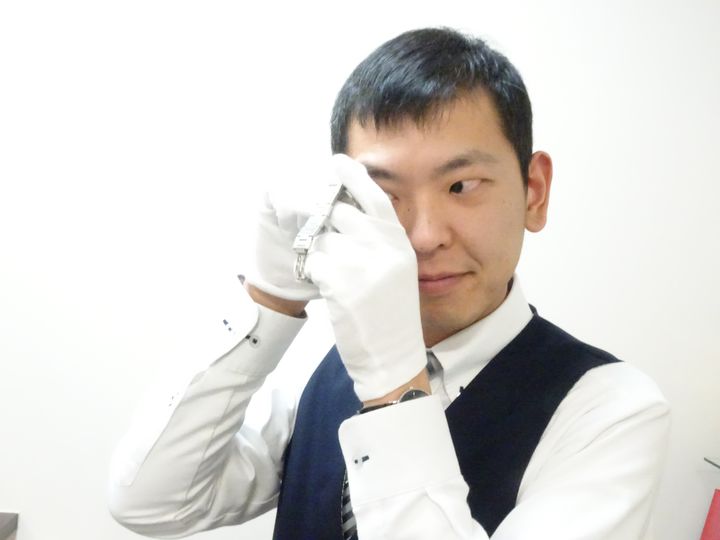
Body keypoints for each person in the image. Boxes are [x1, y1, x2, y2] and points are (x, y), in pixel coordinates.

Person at [108, 27, 670, 539]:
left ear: (534, 191)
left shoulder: (610, 411)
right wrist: (271, 298)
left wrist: (392, 385)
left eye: (462, 186)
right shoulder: (322, 365)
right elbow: (153, 503)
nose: (424, 237)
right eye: (382, 195)